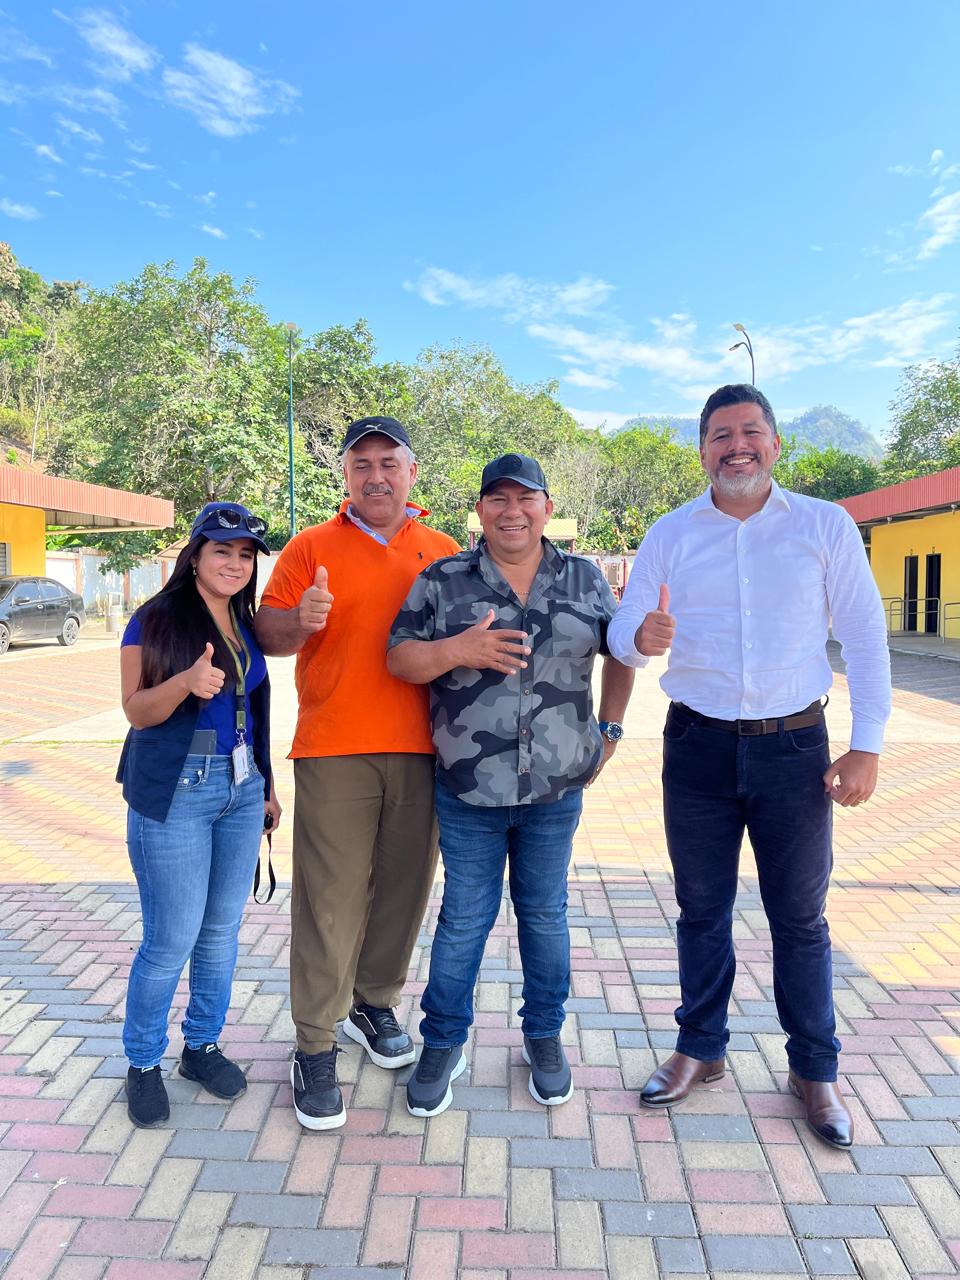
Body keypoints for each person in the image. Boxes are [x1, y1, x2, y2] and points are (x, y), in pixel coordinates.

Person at [608, 384, 891, 1149]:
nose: (736, 447)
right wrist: (641, 637)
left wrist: (866, 743)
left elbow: (864, 634)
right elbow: (625, 627)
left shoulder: (824, 526)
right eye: (721, 436)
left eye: (750, 432)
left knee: (799, 917)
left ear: (774, 442)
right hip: (695, 746)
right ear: (702, 449)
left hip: (794, 751)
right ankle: (700, 1049)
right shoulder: (671, 533)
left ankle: (814, 1070)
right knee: (701, 909)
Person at [387, 453, 639, 1117]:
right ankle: (444, 1041)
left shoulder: (585, 578)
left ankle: (544, 1036)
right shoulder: (443, 580)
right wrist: (456, 650)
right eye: (497, 499)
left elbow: (622, 652)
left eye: (525, 498)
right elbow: (399, 658)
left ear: (546, 507)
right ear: (480, 511)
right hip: (469, 789)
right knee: (464, 918)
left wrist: (611, 730)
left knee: (545, 915)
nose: (512, 511)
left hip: (556, 788)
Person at [254, 416, 460, 1130]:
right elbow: (268, 634)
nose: (375, 476)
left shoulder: (444, 551)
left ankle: (373, 1004)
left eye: (388, 462)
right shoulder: (310, 547)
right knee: (329, 899)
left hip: (425, 749)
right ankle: (314, 1043)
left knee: (405, 890)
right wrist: (301, 622)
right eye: (361, 464)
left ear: (411, 472)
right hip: (334, 747)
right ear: (344, 475)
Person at [117, 502, 279, 1129]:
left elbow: (254, 709)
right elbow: (136, 711)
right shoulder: (153, 620)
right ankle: (143, 1062)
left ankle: (201, 1046)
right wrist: (185, 682)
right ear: (195, 556)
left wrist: (265, 785)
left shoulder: (243, 620)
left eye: (245, 555)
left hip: (241, 788)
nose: (235, 563)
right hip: (178, 789)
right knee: (171, 939)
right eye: (221, 551)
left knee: (220, 932)